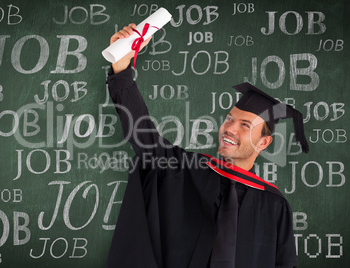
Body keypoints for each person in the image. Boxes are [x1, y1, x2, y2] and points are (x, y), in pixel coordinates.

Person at [105, 24, 308, 268]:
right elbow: (142, 133)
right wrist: (122, 68)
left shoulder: (274, 206)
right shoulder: (184, 171)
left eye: (245, 125)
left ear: (264, 142)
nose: (230, 129)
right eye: (229, 119)